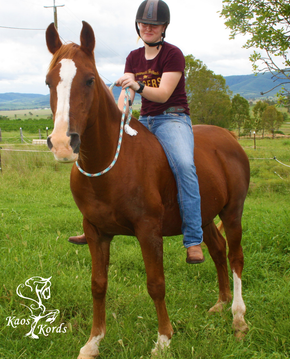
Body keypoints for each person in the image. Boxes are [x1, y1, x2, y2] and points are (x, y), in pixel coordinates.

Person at [69, 0, 204, 264]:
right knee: (103, 159)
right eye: (144, 23)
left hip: (173, 118)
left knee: (185, 165)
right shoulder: (133, 56)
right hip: (145, 119)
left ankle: (193, 239)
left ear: (163, 27)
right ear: (137, 26)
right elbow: (127, 94)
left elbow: (163, 93)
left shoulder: (173, 54)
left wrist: (137, 86)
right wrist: (120, 115)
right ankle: (96, 223)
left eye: (153, 24)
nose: (148, 28)